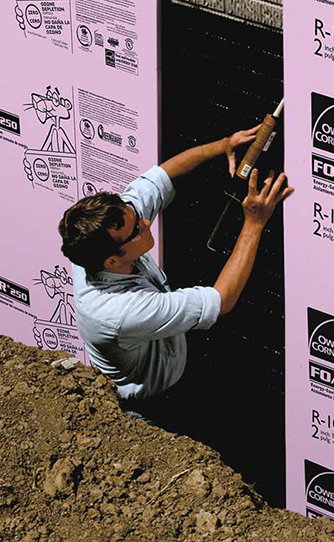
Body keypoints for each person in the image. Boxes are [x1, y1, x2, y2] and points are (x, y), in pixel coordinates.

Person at [57, 127, 293, 421]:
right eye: (136, 230)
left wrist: (224, 144)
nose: (145, 222)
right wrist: (255, 223)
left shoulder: (99, 241)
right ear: (112, 262)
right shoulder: (121, 311)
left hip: (167, 361)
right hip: (151, 407)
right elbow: (223, 299)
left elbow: (162, 177)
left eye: (135, 214)